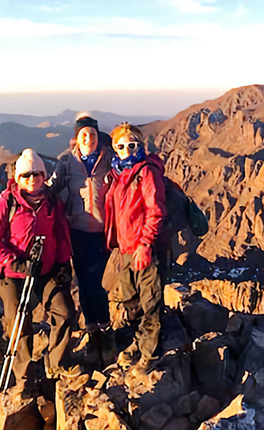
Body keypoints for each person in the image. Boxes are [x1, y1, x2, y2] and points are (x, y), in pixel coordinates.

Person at [0, 148, 75, 395]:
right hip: (13, 274)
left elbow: (61, 234)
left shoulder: (52, 203)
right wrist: (14, 262)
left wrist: (64, 264)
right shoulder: (6, 203)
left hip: (46, 271)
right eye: (26, 175)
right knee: (19, 324)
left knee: (64, 312)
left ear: (44, 176)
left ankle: (56, 365)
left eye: (37, 174)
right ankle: (23, 375)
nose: (32, 179)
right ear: (18, 178)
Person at [47, 114, 115, 365]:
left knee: (101, 282)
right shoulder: (67, 162)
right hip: (76, 231)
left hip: (103, 232)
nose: (89, 138)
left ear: (99, 138)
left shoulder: (109, 160)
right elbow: (53, 187)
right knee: (85, 283)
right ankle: (93, 332)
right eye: (84, 134)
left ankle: (105, 330)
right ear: (77, 138)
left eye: (93, 134)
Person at [104, 123, 168, 374]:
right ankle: (139, 343)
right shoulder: (117, 176)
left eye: (132, 145)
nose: (127, 150)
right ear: (115, 149)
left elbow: (156, 211)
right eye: (121, 146)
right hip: (124, 249)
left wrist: (145, 245)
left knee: (149, 300)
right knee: (131, 302)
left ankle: (150, 354)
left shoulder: (147, 172)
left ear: (141, 146)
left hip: (144, 248)